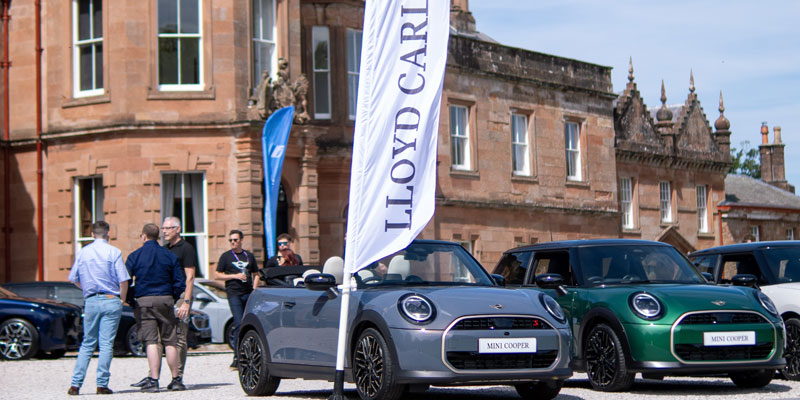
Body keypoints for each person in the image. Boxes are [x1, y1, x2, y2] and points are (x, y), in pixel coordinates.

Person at [130, 216, 197, 390]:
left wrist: (131, 300)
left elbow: (125, 280)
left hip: (150, 300)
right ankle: (172, 379)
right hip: (166, 298)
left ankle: (158, 379)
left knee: (157, 340)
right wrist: (171, 297)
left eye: (168, 228)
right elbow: (178, 281)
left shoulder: (135, 256)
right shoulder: (168, 253)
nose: (166, 231)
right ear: (158, 235)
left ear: (144, 236)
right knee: (167, 341)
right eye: (164, 229)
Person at [67, 221, 130, 396]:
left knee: (87, 343)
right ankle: (102, 385)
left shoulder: (83, 252)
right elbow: (123, 280)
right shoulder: (114, 251)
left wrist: (86, 288)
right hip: (111, 298)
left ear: (92, 234)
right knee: (106, 344)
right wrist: (122, 298)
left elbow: (73, 278)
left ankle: (75, 384)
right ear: (108, 234)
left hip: (91, 300)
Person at [216, 230, 260, 368]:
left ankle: (250, 353)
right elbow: (217, 275)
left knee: (249, 322)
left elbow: (256, 273)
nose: (233, 242)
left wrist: (254, 288)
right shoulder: (226, 256)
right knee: (238, 322)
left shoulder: (249, 256)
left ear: (241, 240)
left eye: (235, 240)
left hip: (247, 293)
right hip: (233, 293)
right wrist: (234, 276)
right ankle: (237, 356)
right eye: (231, 240)